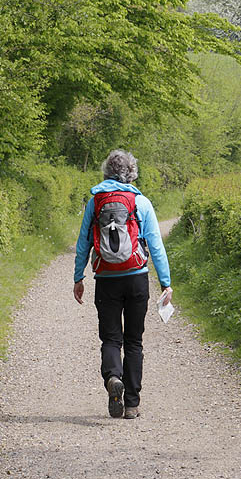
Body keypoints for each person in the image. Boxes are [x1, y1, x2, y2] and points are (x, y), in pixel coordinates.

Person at [73, 149, 171, 419]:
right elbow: (156, 244)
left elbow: (83, 242)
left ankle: (112, 379)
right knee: (134, 342)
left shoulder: (95, 202)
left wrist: (78, 278)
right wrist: (166, 282)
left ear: (106, 171)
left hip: (106, 278)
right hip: (137, 277)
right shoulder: (141, 202)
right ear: (132, 173)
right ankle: (131, 404)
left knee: (111, 338)